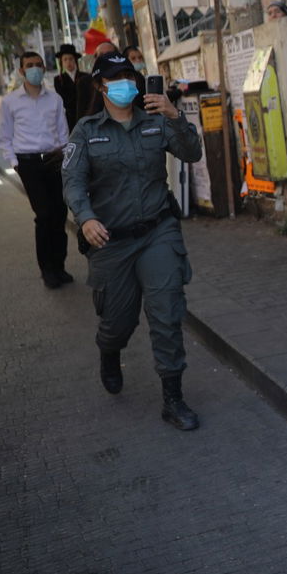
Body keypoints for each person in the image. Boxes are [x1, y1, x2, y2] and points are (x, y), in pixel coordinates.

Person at [62, 52, 205, 430]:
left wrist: (175, 114)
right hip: (112, 241)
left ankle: (173, 399)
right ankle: (109, 350)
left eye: (130, 75)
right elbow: (73, 182)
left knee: (166, 313)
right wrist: (86, 218)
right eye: (116, 77)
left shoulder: (156, 121)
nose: (125, 83)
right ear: (100, 85)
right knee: (118, 322)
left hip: (158, 231)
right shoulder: (87, 130)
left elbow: (192, 152)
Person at [0, 51, 73, 288]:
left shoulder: (55, 99)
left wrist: (66, 158)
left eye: (39, 65)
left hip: (54, 160)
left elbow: (64, 133)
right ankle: (47, 269)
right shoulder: (10, 102)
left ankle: (60, 266)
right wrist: (15, 164)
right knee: (44, 215)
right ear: (21, 71)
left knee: (60, 213)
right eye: (29, 65)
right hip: (28, 163)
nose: (35, 69)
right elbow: (5, 137)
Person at [75, 40, 117, 129]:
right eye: (101, 55)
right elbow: (81, 113)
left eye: (109, 54)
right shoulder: (85, 82)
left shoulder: (128, 80)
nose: (105, 58)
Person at [54, 43, 82, 129]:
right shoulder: (58, 80)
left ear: (75, 60)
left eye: (71, 59)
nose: (68, 62)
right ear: (61, 62)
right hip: (69, 118)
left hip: (85, 114)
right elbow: (64, 100)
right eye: (65, 59)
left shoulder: (85, 77)